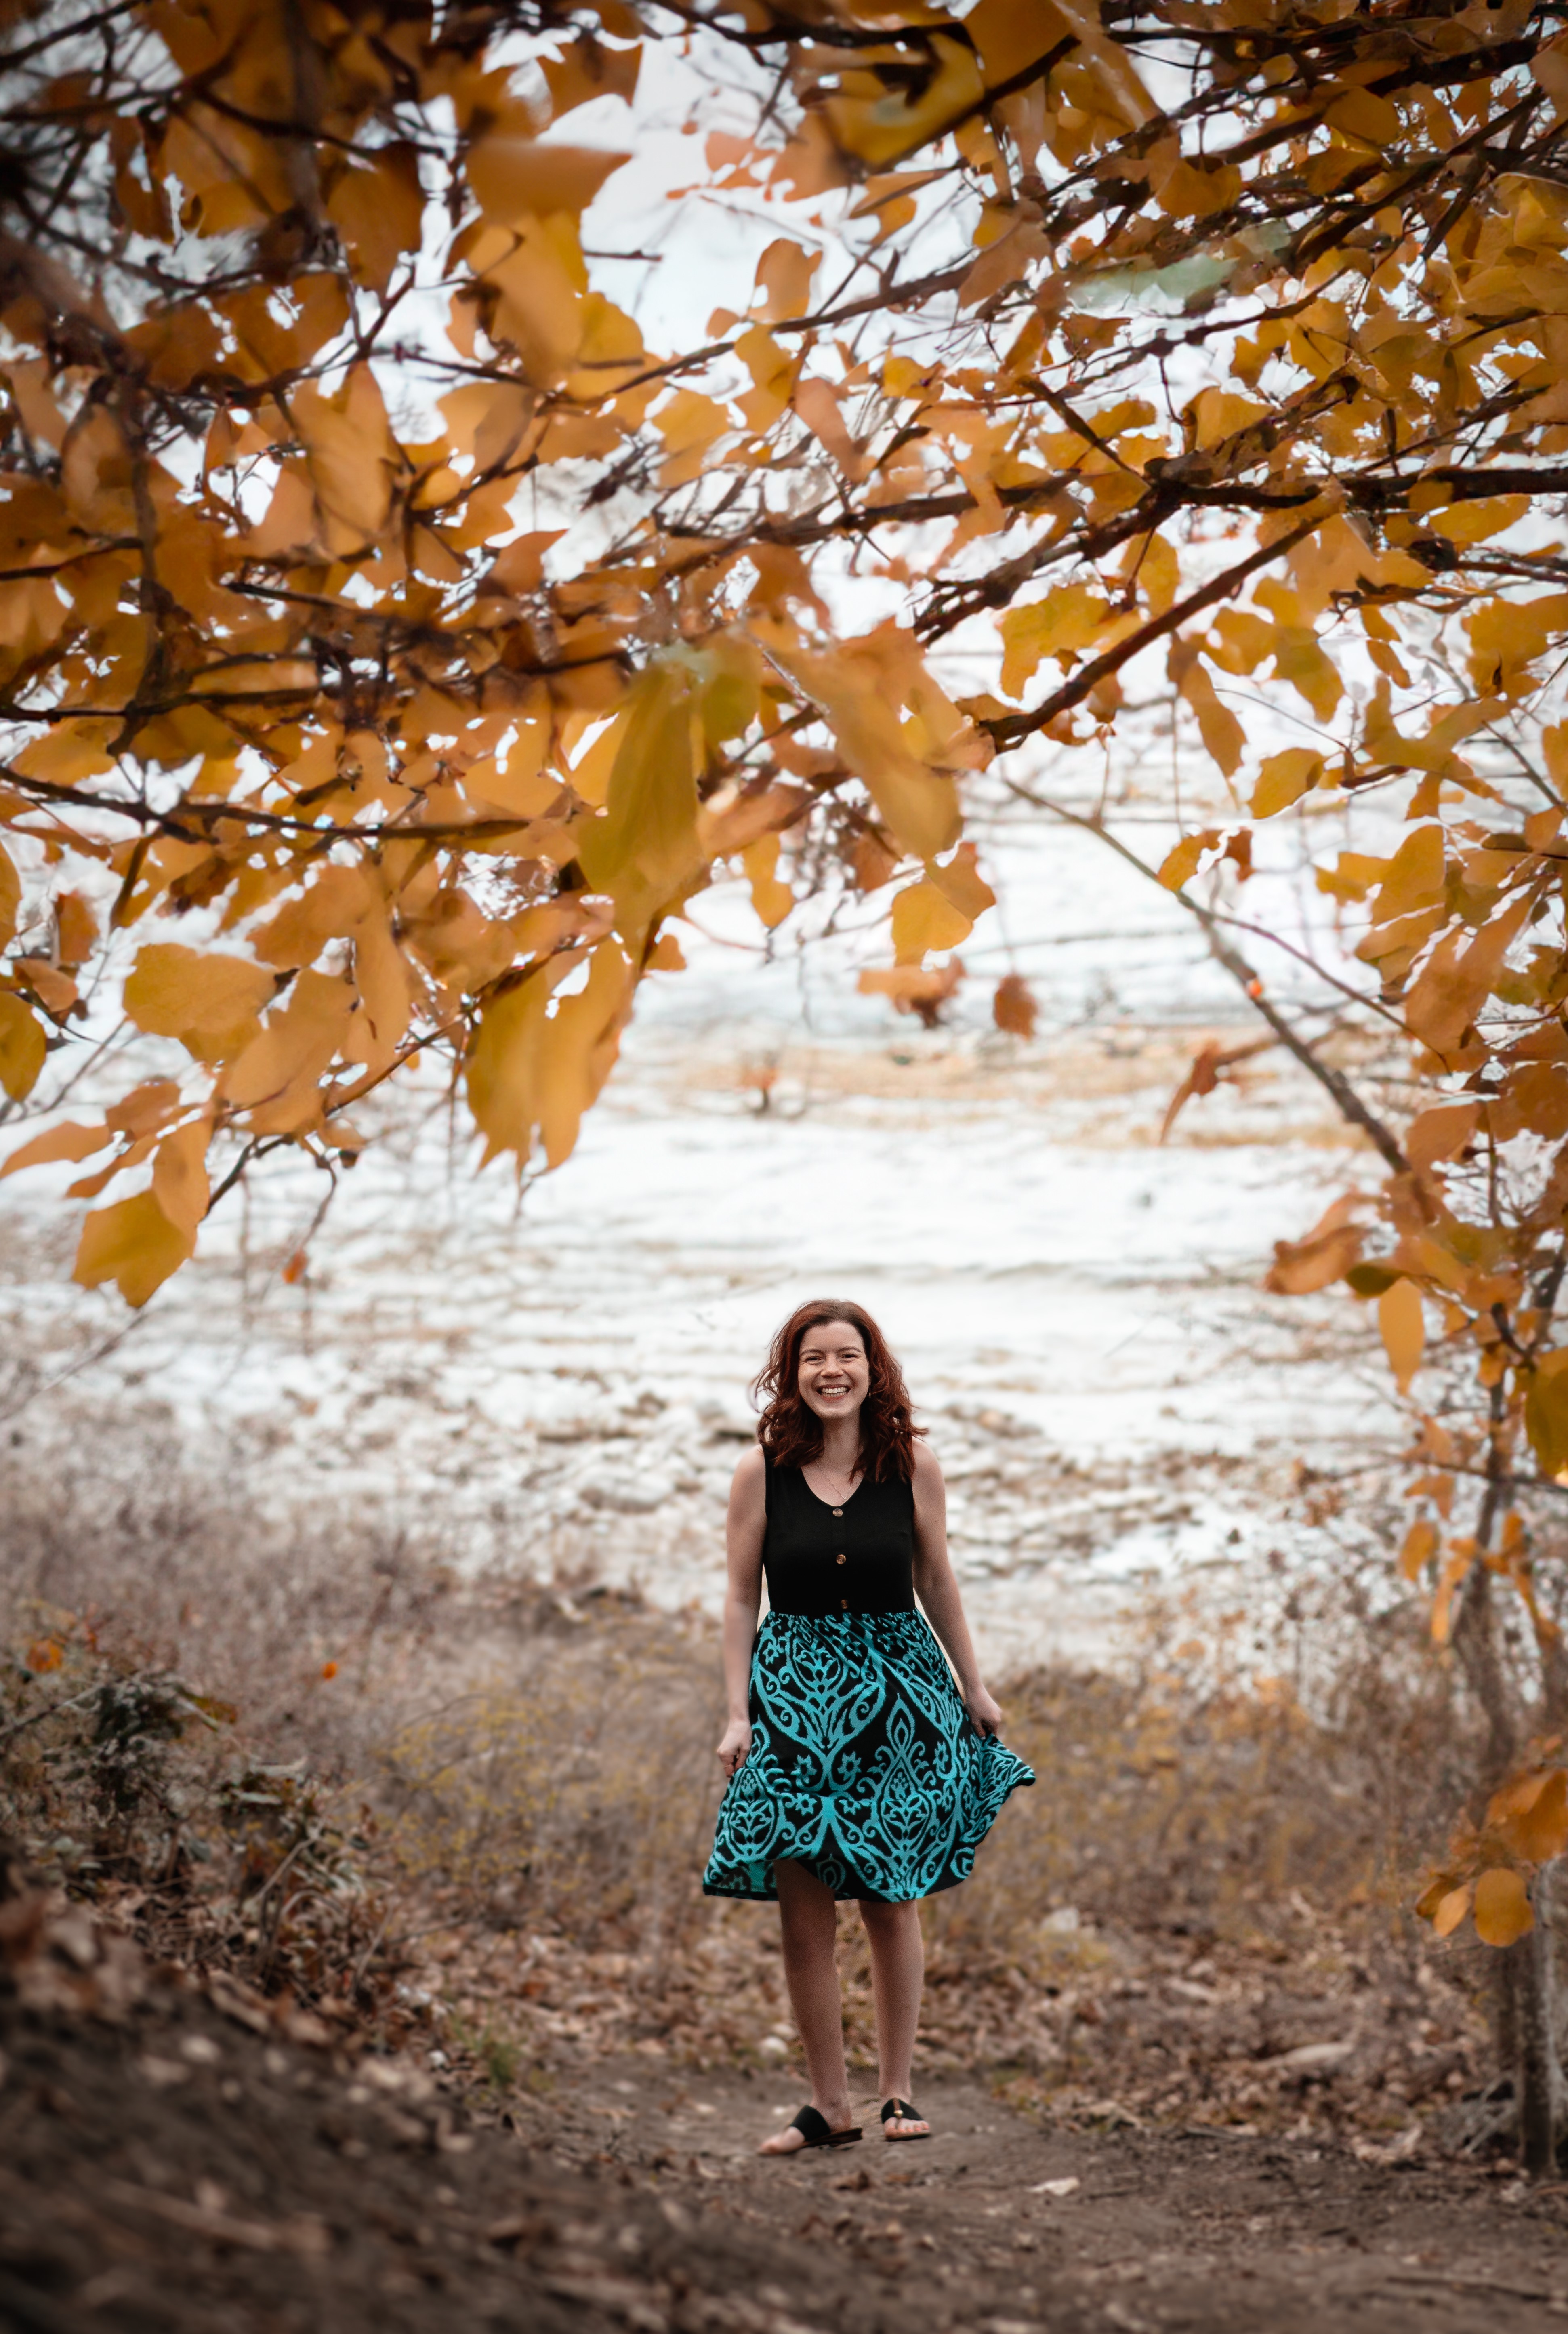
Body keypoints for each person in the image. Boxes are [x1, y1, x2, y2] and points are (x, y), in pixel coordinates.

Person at [703, 1299, 1034, 2154]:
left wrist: (977, 1686)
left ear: (871, 1367)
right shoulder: (760, 1471)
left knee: (892, 1897)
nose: (831, 1371)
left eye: (847, 1355)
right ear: (791, 1372)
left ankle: (896, 2094)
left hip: (900, 1696)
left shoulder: (913, 1465)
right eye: (814, 1358)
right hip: (793, 1697)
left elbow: (937, 1577)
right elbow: (742, 1597)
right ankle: (828, 2108)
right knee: (803, 1902)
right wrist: (738, 1710)